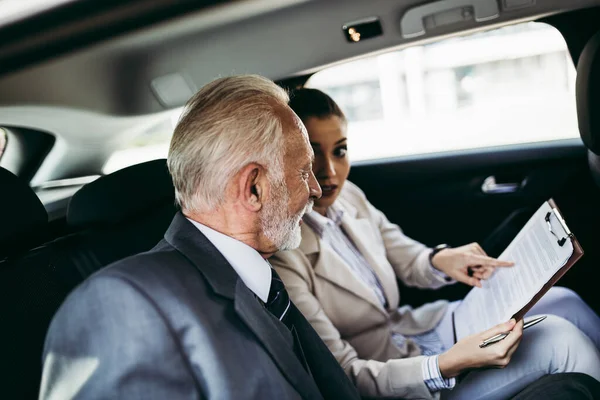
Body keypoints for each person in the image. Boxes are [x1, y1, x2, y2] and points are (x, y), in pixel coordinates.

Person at [39, 76, 361, 400]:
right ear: (253, 188)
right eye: (304, 173)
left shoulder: (259, 281)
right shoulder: (125, 305)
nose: (315, 190)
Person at [271, 88, 600, 400]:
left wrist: (441, 259)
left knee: (565, 302)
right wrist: (447, 364)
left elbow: (405, 255)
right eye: (313, 154)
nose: (329, 172)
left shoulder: (350, 197)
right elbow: (345, 374)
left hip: (423, 330)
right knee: (562, 340)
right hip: (406, 379)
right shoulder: (285, 255)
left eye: (340, 151)